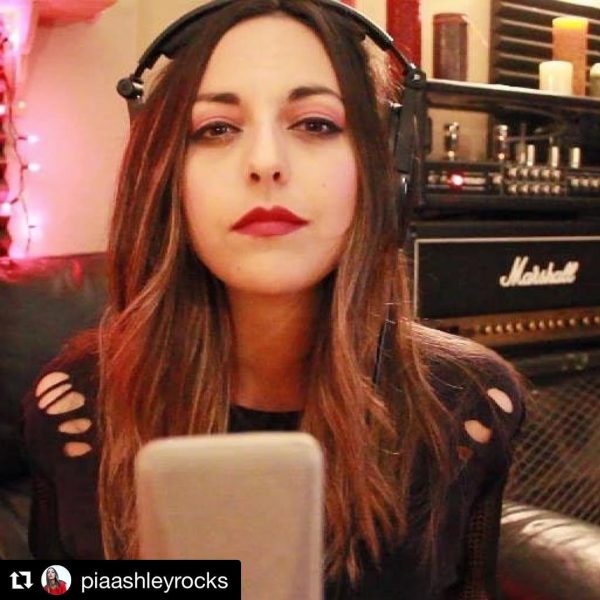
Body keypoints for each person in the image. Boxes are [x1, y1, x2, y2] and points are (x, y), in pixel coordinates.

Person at [22, 1, 526, 598]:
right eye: (216, 129)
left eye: (315, 124)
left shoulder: (469, 403)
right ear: (164, 176)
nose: (265, 163)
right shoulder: (74, 403)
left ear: (382, 168)